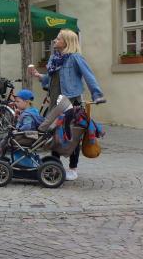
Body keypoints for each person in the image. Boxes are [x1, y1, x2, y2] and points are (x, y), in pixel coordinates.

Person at [28, 29, 105, 180]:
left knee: (72, 136)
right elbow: (52, 79)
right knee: (54, 135)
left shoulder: (75, 58)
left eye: (58, 39)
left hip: (71, 103)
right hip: (55, 104)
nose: (54, 41)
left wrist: (97, 95)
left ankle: (73, 168)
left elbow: (89, 76)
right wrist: (38, 75)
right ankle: (55, 166)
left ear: (67, 42)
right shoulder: (54, 59)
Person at [0, 89, 44, 158]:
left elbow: (27, 126)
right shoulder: (32, 111)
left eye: (18, 101)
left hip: (27, 136)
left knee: (9, 136)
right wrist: (17, 116)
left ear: (26, 102)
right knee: (10, 134)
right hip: (29, 135)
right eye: (15, 101)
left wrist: (18, 130)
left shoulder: (27, 115)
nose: (16, 103)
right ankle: (0, 154)